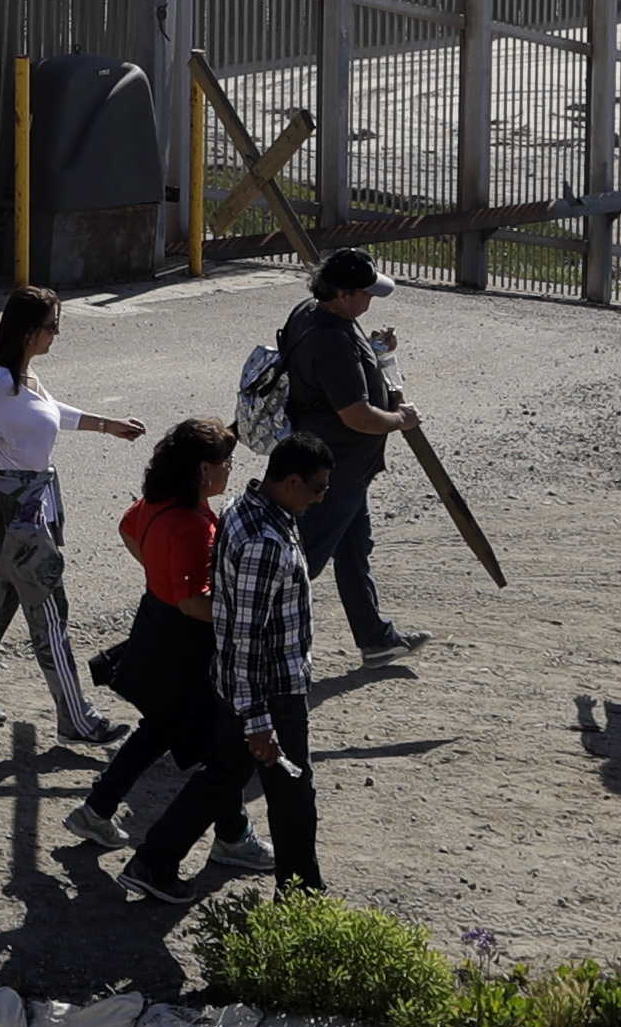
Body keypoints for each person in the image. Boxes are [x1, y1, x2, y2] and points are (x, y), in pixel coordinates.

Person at [0, 287, 144, 742]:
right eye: (52, 325)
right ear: (29, 331)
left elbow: (50, 414)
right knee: (49, 612)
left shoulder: (17, 376)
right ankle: (76, 719)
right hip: (16, 522)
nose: (57, 334)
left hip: (6, 516)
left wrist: (107, 425)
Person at [130, 434, 331, 902]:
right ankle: (302, 899)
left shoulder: (250, 508)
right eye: (318, 489)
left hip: (234, 686)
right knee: (293, 797)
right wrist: (259, 723)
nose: (322, 498)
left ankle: (152, 862)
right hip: (270, 692)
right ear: (293, 481)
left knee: (221, 776)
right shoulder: (264, 541)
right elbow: (246, 637)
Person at [71, 418, 268, 881]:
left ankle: (97, 810)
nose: (229, 470)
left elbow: (127, 529)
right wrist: (245, 618)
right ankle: (233, 837)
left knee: (163, 729)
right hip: (186, 646)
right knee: (220, 740)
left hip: (155, 628)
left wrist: (156, 570)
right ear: (203, 470)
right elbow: (193, 601)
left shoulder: (157, 503)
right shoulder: (193, 524)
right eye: (225, 463)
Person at [269, 249, 431, 664]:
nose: (370, 301)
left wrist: (375, 348)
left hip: (341, 468)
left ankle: (375, 638)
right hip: (332, 472)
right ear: (342, 294)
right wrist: (400, 420)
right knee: (302, 563)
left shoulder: (313, 312)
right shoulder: (332, 341)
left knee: (354, 548)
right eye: (365, 294)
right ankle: (254, 639)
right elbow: (357, 416)